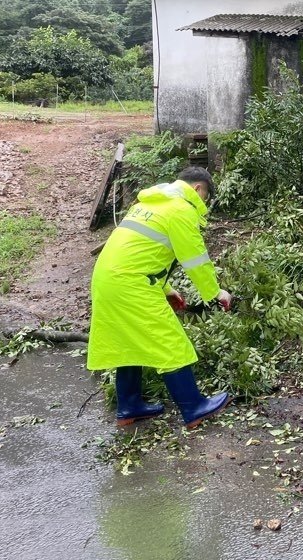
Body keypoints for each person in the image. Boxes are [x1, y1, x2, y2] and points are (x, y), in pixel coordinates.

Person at [87, 165, 233, 430]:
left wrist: (167, 289)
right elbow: (195, 259)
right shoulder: (180, 209)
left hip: (107, 279)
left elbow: (142, 252)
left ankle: (129, 406)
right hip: (131, 285)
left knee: (126, 342)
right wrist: (216, 292)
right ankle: (194, 407)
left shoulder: (151, 203)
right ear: (198, 189)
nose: (204, 204)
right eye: (205, 198)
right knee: (170, 341)